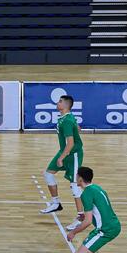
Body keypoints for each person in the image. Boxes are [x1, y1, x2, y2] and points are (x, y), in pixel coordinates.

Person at [55, 167, 120, 253]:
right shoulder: (97, 188)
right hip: (113, 225)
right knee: (89, 245)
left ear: (80, 179)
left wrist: (73, 232)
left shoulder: (85, 194)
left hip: (105, 230)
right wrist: (85, 216)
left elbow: (88, 222)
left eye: (76, 176)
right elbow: (101, 208)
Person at [39, 94, 85, 225]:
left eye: (60, 101)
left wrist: (61, 158)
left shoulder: (67, 120)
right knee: (48, 174)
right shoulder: (66, 117)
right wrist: (76, 127)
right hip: (64, 151)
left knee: (74, 185)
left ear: (66, 105)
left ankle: (81, 217)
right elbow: (77, 128)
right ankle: (56, 203)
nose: (57, 103)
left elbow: (70, 143)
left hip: (73, 154)